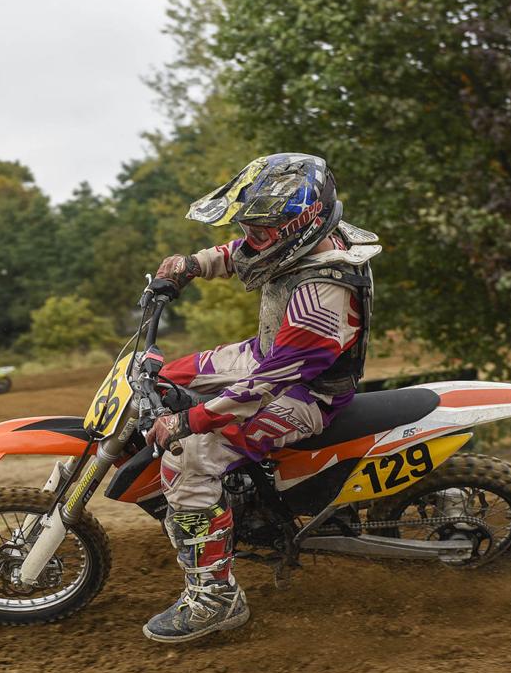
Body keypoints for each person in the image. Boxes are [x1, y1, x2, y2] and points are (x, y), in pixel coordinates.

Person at [141, 153, 380, 643]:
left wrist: (191, 422)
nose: (253, 236)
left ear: (300, 224)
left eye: (263, 229)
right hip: (269, 358)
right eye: (250, 226)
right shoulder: (296, 240)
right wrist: (192, 264)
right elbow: (245, 251)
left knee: (188, 459)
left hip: (302, 394)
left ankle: (215, 597)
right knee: (163, 375)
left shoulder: (324, 293)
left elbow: (264, 388)